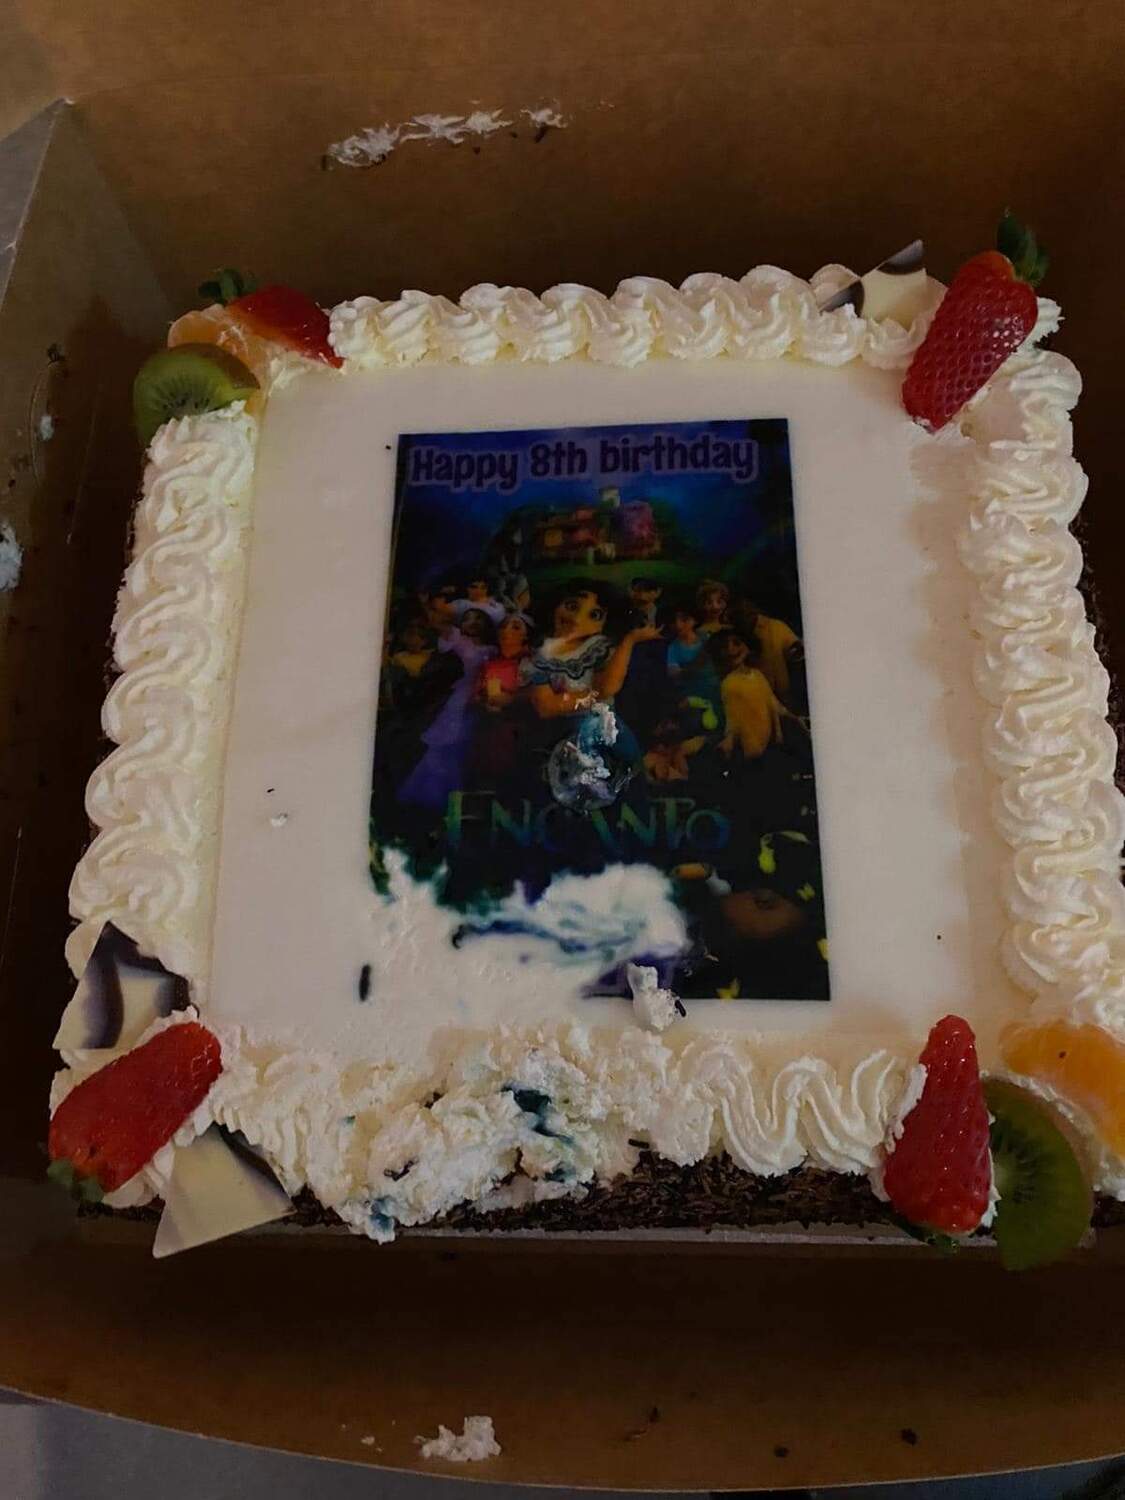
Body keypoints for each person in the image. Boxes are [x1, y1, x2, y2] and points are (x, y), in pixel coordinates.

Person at [399, 610, 497, 809]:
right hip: (457, 699)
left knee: (466, 748)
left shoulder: (493, 649)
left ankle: (457, 800)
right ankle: (433, 796)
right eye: (468, 619)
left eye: (478, 618)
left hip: (480, 701)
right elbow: (442, 630)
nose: (473, 623)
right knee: (444, 745)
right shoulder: (459, 641)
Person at [708, 628, 805, 759]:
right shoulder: (729, 684)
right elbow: (733, 720)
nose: (731, 649)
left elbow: (774, 704)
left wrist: (795, 719)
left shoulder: (757, 674)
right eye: (724, 647)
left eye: (737, 643)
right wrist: (729, 740)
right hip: (752, 749)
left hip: (771, 744)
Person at [729, 594, 802, 703]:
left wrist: (798, 649)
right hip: (752, 699)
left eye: (748, 606)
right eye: (739, 610)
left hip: (782, 696)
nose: (744, 609)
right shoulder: (731, 635)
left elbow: (794, 652)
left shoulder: (775, 626)